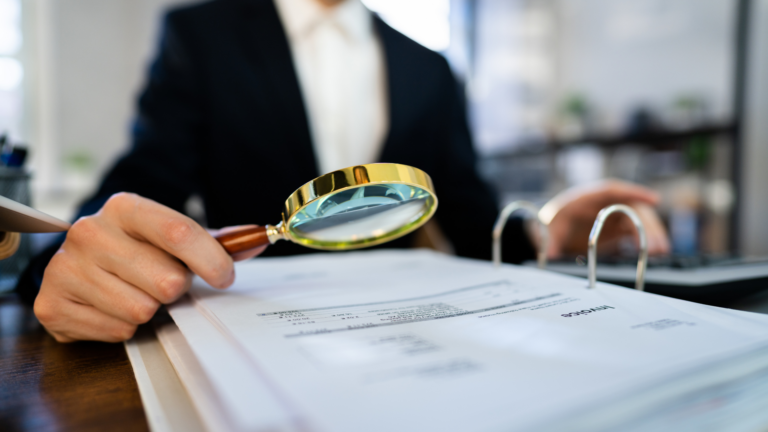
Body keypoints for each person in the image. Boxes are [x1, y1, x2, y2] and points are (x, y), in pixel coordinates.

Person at [17, 0, 669, 343]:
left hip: (411, 328)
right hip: (248, 324)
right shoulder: (201, 34)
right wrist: (70, 263)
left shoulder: (429, 66)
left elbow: (469, 214)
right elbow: (143, 182)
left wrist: (548, 231)